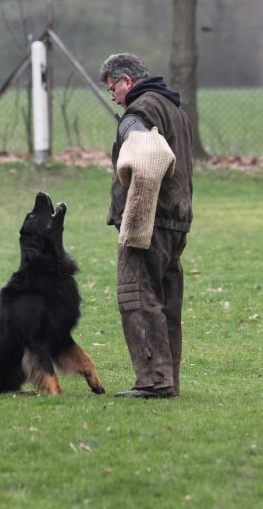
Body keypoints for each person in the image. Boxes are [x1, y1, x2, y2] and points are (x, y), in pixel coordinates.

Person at [99, 53, 193, 399]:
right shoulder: (175, 110)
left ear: (128, 82)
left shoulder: (138, 114)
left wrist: (134, 221)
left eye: (113, 88)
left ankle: (153, 381)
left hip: (148, 221)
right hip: (177, 218)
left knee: (138, 297)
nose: (113, 96)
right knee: (167, 300)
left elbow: (146, 159)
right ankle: (168, 381)